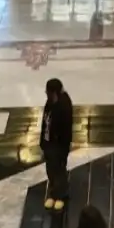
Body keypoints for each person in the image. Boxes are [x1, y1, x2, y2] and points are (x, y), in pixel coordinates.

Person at [41, 77, 73, 211]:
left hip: (59, 145)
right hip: (48, 142)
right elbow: (44, 122)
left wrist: (64, 149)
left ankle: (61, 195)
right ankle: (53, 192)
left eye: (47, 91)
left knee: (59, 170)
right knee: (50, 169)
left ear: (53, 92)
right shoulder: (49, 103)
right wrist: (42, 142)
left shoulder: (64, 106)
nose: (46, 93)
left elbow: (66, 130)